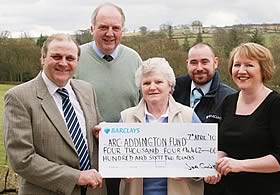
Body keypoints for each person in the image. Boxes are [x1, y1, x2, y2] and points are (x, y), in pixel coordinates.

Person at [3, 34, 106, 195]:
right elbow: (21, 159)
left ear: (77, 62)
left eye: (70, 58)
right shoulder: (19, 97)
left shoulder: (87, 90)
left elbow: (96, 134)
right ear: (43, 58)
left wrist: (105, 134)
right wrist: (75, 177)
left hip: (94, 191)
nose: (63, 63)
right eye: (56, 56)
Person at [107, 57, 204, 195]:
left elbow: (204, 161)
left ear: (170, 85)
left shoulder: (188, 116)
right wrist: (121, 172)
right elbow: (115, 164)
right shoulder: (126, 117)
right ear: (140, 87)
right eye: (146, 83)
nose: (152, 87)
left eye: (158, 82)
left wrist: (189, 171)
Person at [75, 4, 142, 193]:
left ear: (123, 30)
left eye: (116, 28)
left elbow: (143, 105)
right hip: (86, 158)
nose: (110, 33)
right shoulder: (75, 58)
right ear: (91, 29)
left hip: (127, 156)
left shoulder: (134, 59)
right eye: (103, 27)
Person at [216, 42, 280, 195]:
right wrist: (216, 162)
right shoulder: (228, 101)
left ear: (263, 69)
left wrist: (240, 165)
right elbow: (223, 146)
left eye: (249, 65)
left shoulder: (277, 104)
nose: (241, 71)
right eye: (237, 65)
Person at [172, 43, 235, 194]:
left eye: (205, 61)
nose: (199, 67)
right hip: (175, 182)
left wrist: (217, 163)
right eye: (194, 62)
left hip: (212, 184)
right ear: (187, 64)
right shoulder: (172, 90)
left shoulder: (230, 98)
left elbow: (232, 143)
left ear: (216, 62)